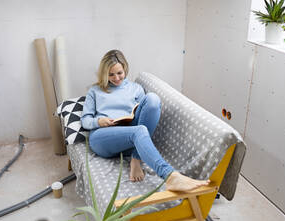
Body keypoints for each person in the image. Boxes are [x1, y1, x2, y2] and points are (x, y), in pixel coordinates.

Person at [81, 50, 209, 191]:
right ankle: (170, 176)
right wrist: (99, 122)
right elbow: (85, 120)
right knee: (139, 131)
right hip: (103, 139)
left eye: (120, 73)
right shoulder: (95, 91)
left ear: (125, 69)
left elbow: (146, 118)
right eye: (111, 74)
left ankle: (136, 159)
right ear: (104, 73)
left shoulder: (136, 89)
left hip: (129, 136)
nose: (116, 78)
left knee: (152, 99)